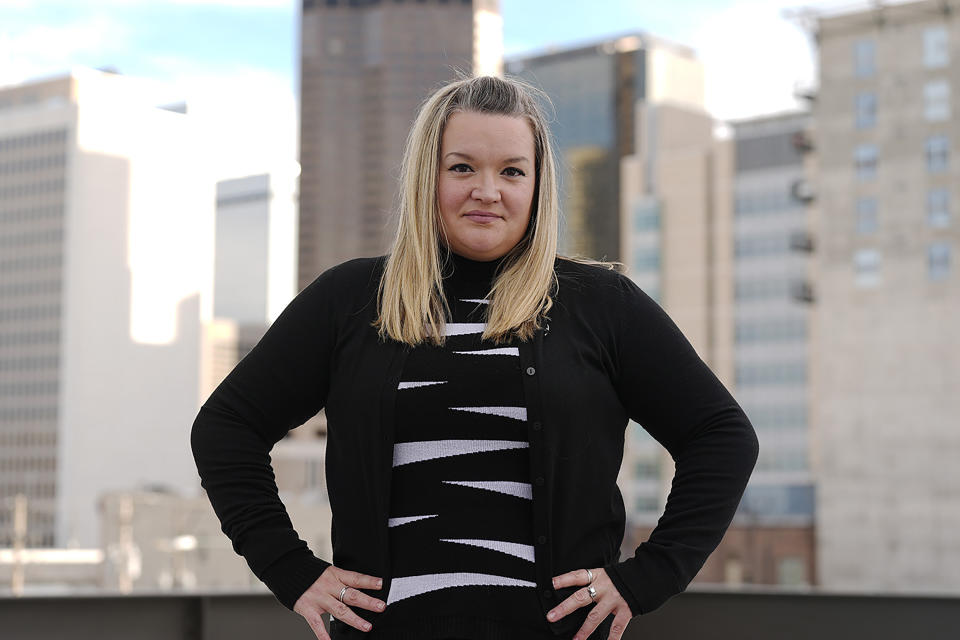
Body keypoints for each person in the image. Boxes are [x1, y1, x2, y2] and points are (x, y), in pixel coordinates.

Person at [191, 75, 758, 640]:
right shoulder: (351, 299)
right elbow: (226, 428)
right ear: (426, 177)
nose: (488, 190)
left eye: (512, 170)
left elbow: (721, 435)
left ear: (538, 185)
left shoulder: (601, 304)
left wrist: (647, 578)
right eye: (462, 167)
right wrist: (290, 569)